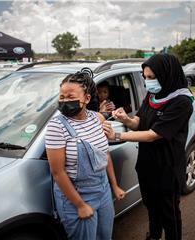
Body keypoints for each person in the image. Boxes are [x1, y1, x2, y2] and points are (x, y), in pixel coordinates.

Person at [103, 54, 194, 240]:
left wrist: (117, 135)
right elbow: (140, 122)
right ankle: (153, 236)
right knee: (152, 207)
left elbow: (154, 134)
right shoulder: (153, 95)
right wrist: (126, 119)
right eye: (145, 77)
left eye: (152, 77)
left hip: (167, 168)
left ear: (167, 74)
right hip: (147, 164)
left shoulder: (182, 101)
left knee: (169, 213)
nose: (147, 81)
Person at [45, 68, 125, 240]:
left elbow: (104, 155)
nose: (65, 101)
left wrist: (114, 186)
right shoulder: (56, 126)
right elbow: (58, 172)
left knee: (105, 236)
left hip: (102, 190)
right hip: (77, 196)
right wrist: (80, 205)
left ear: (87, 98)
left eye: (71, 97)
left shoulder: (96, 118)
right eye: (62, 97)